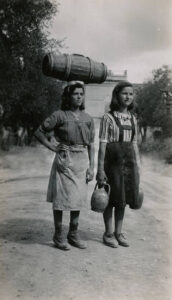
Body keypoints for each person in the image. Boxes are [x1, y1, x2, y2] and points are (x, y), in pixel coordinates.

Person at [35, 81, 95, 250]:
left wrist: (92, 167)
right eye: (75, 94)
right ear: (68, 97)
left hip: (82, 160)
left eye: (81, 94)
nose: (78, 97)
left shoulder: (88, 118)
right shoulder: (59, 115)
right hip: (65, 159)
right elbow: (39, 132)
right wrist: (53, 147)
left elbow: (91, 145)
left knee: (78, 198)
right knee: (61, 198)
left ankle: (73, 234)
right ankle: (58, 235)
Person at [96, 81, 141, 248]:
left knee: (123, 199)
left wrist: (138, 166)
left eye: (130, 93)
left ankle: (118, 232)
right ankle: (108, 233)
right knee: (110, 198)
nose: (128, 96)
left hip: (129, 164)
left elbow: (135, 143)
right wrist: (100, 169)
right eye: (124, 93)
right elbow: (102, 145)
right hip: (112, 163)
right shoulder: (108, 118)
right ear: (117, 95)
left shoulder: (133, 119)